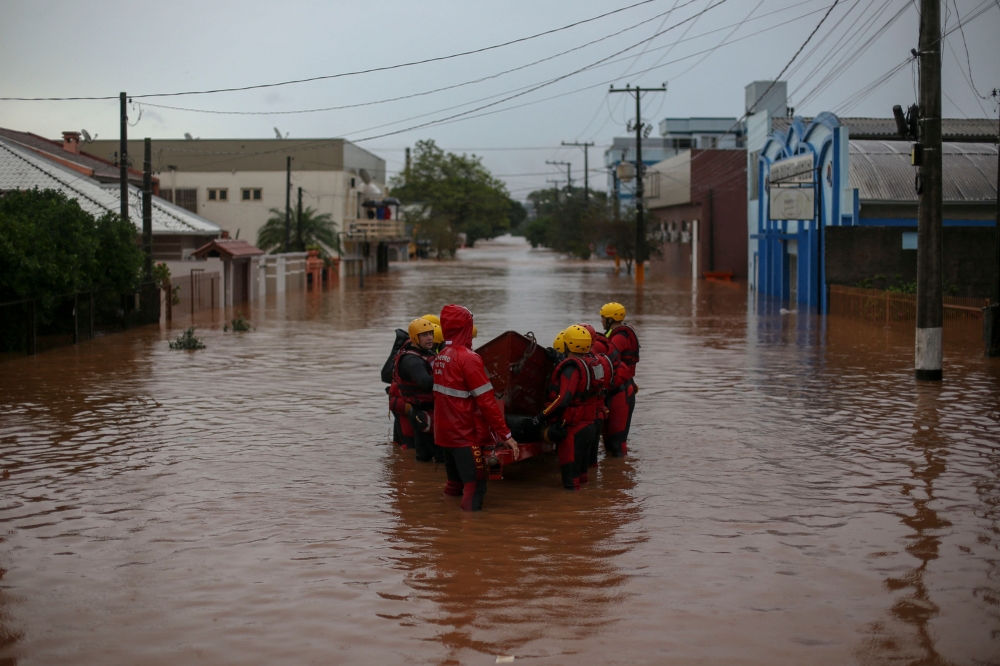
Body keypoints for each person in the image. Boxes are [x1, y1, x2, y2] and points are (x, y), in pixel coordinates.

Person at [433, 305, 518, 511]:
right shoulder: (469, 358)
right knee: (475, 488)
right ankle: (470, 537)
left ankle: (442, 528)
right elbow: (487, 403)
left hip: (444, 435)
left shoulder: (441, 355)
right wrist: (506, 435)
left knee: (454, 485)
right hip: (465, 436)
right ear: (467, 326)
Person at [533, 325, 600, 490]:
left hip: (573, 430)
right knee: (584, 478)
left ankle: (571, 513)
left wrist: (540, 417)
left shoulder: (571, 368)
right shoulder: (593, 363)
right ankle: (589, 510)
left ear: (568, 344)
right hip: (590, 426)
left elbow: (562, 399)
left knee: (570, 485)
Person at [394, 318, 441, 462]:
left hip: (420, 414)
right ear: (415, 337)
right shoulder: (412, 361)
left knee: (423, 460)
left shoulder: (424, 352)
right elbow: (426, 383)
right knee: (441, 459)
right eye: (424, 335)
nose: (430, 338)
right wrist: (447, 372)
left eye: (431, 334)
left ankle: (420, 482)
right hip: (423, 414)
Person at [600, 302, 640, 457]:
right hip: (618, 388)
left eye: (603, 318)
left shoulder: (620, 337)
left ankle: (621, 473)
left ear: (610, 319)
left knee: (617, 442)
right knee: (608, 441)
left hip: (621, 390)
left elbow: (607, 357)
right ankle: (613, 474)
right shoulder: (616, 333)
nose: (601, 321)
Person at [578, 323, 614, 469]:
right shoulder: (600, 361)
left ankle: (589, 488)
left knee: (583, 463)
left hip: (586, 417)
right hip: (598, 414)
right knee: (592, 462)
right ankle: (593, 488)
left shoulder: (579, 364)